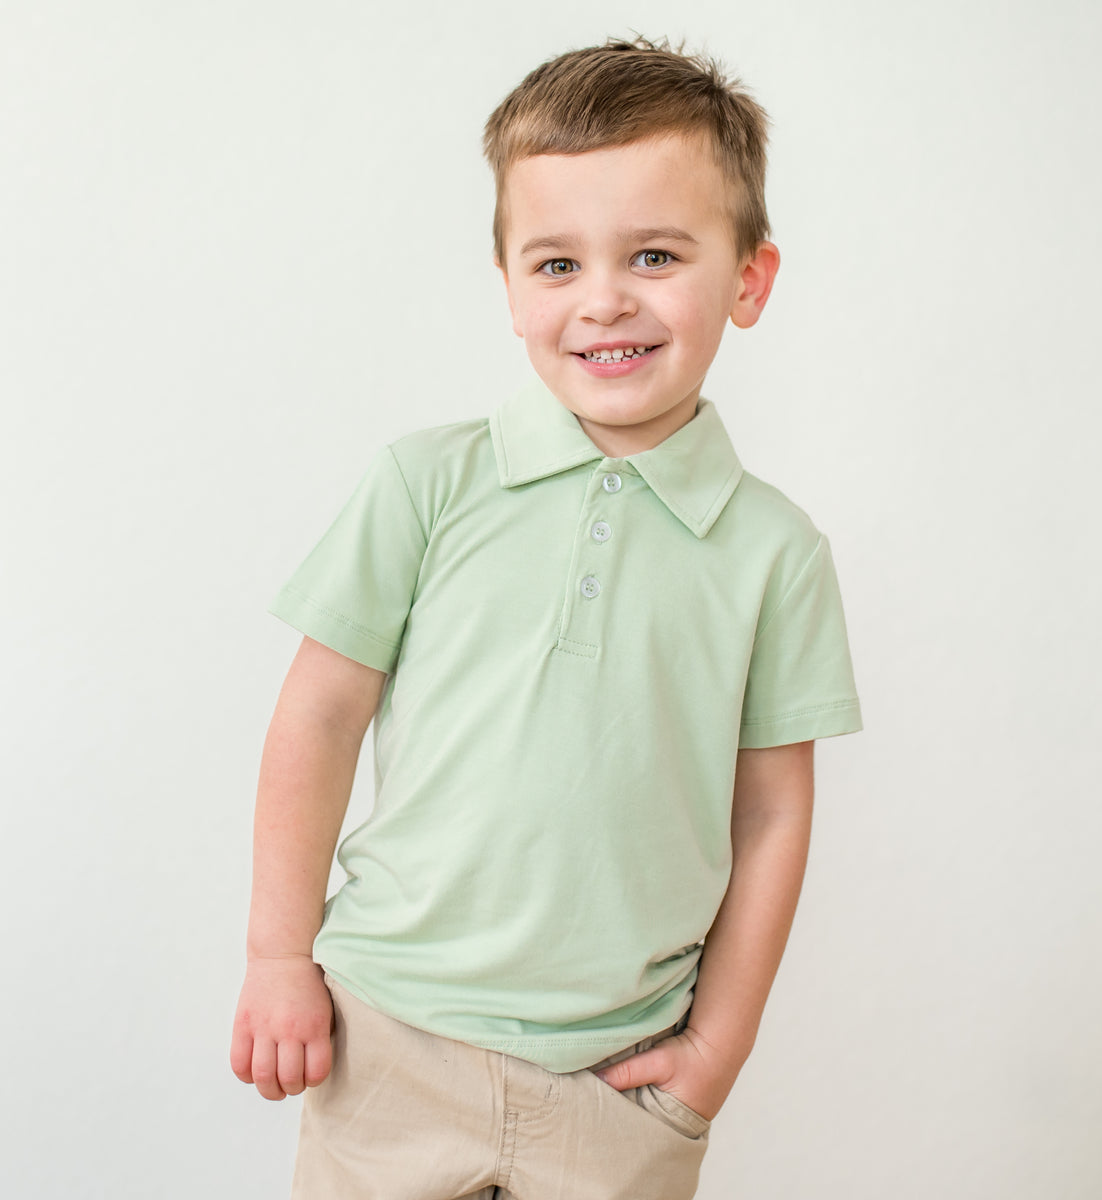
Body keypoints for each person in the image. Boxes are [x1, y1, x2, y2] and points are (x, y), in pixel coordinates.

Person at [230, 36, 862, 1200]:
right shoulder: (427, 484)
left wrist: (716, 1051)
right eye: (558, 262)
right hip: (387, 1042)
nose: (604, 299)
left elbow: (773, 810)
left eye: (657, 254)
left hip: (617, 1080)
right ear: (509, 284)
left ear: (749, 280)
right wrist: (277, 955)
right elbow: (318, 717)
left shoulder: (776, 552)